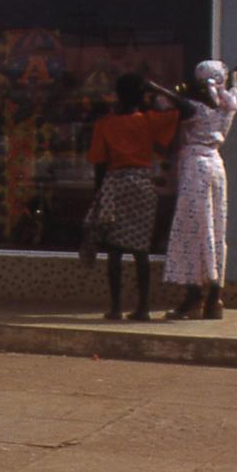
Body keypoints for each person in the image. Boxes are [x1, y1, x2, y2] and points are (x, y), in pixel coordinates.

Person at [80, 73, 178, 321]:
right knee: (140, 250)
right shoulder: (148, 121)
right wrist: (156, 87)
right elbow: (183, 109)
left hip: (115, 184)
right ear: (141, 96)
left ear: (117, 95)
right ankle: (143, 307)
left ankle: (115, 308)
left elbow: (99, 165)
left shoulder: (105, 124)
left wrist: (99, 196)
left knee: (114, 251)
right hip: (142, 186)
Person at [163, 58, 237, 319]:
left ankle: (193, 297)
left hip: (195, 170)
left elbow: (169, 100)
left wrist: (164, 88)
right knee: (214, 229)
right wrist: (234, 77)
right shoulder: (228, 105)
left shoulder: (194, 108)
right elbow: (234, 87)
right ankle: (214, 300)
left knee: (194, 230)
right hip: (216, 167)